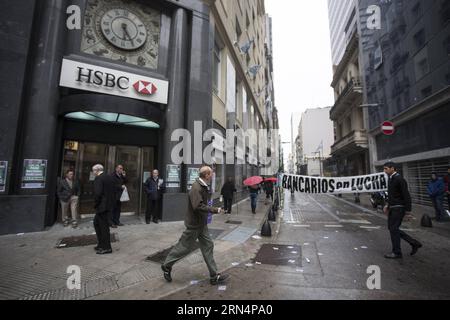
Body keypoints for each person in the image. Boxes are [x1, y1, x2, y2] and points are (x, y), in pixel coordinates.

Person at [161, 166, 229, 285]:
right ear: (206, 175)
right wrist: (215, 210)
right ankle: (167, 266)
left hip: (201, 224)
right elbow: (198, 206)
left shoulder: (202, 186)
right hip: (194, 224)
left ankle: (214, 276)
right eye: (211, 174)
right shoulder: (196, 187)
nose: (212, 175)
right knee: (184, 247)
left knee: (208, 245)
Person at [383, 162, 422, 259]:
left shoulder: (399, 179)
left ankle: (397, 252)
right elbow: (392, 195)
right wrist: (387, 205)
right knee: (392, 228)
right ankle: (413, 243)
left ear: (392, 168)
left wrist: (408, 211)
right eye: (384, 169)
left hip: (399, 208)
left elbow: (406, 195)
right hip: (393, 207)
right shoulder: (391, 179)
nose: (385, 170)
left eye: (386, 168)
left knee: (393, 229)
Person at [92, 164, 116, 255]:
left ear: (97, 170)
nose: (93, 173)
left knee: (104, 227)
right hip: (108, 206)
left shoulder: (99, 178)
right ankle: (101, 244)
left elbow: (97, 194)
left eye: (93, 171)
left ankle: (107, 248)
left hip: (102, 207)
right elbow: (113, 191)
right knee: (96, 223)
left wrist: (96, 204)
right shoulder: (109, 177)